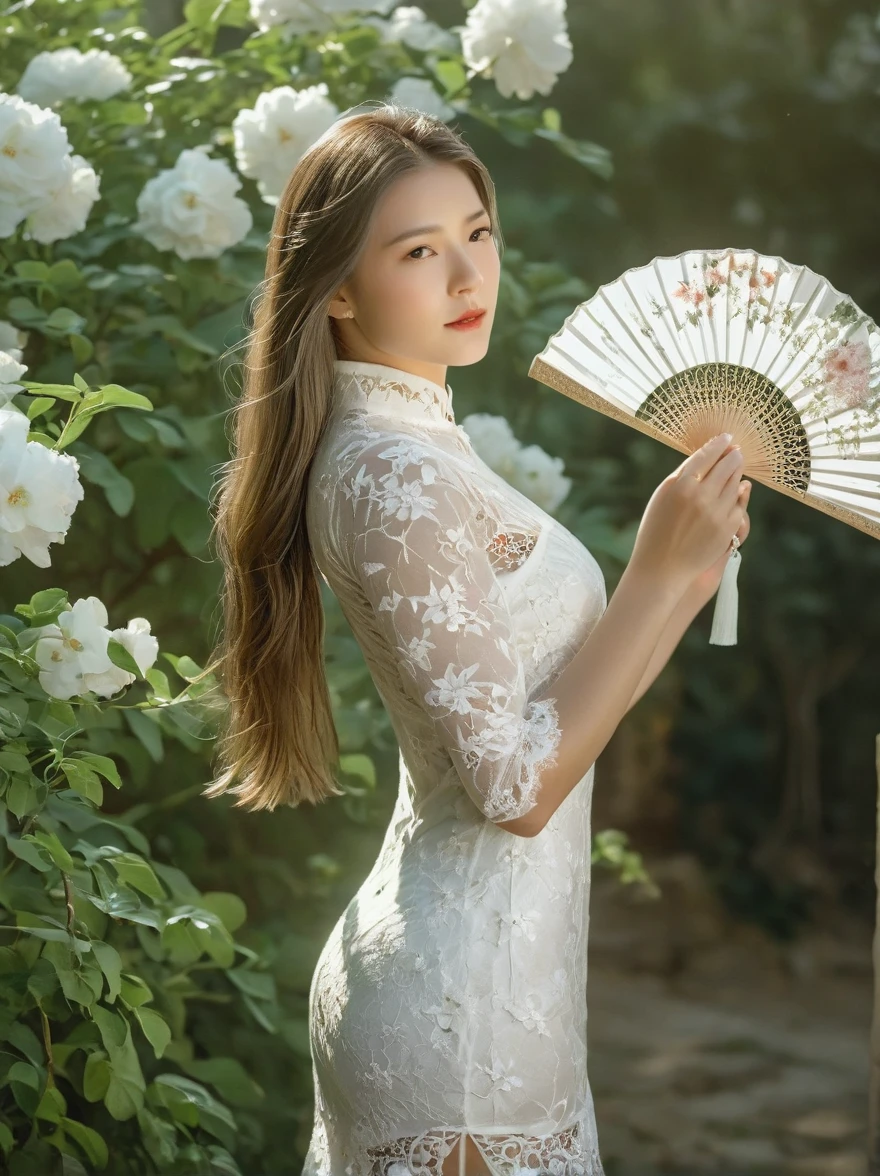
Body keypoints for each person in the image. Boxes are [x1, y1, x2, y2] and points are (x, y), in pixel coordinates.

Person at [204, 103, 750, 1176]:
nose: (467, 276)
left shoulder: (420, 443)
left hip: (503, 1001)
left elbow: (561, 706)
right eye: (419, 249)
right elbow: (515, 788)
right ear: (340, 289)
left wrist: (685, 576)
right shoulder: (393, 474)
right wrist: (649, 574)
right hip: (461, 1023)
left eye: (478, 233)